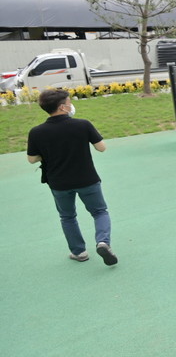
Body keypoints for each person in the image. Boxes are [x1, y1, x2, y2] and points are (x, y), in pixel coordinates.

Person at [27, 89, 118, 266]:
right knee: (99, 212)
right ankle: (103, 242)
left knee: (67, 217)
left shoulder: (36, 132)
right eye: (69, 102)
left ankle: (79, 252)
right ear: (62, 107)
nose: (71, 105)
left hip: (59, 183)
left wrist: (47, 153)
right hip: (87, 179)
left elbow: (32, 159)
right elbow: (101, 148)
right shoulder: (83, 125)